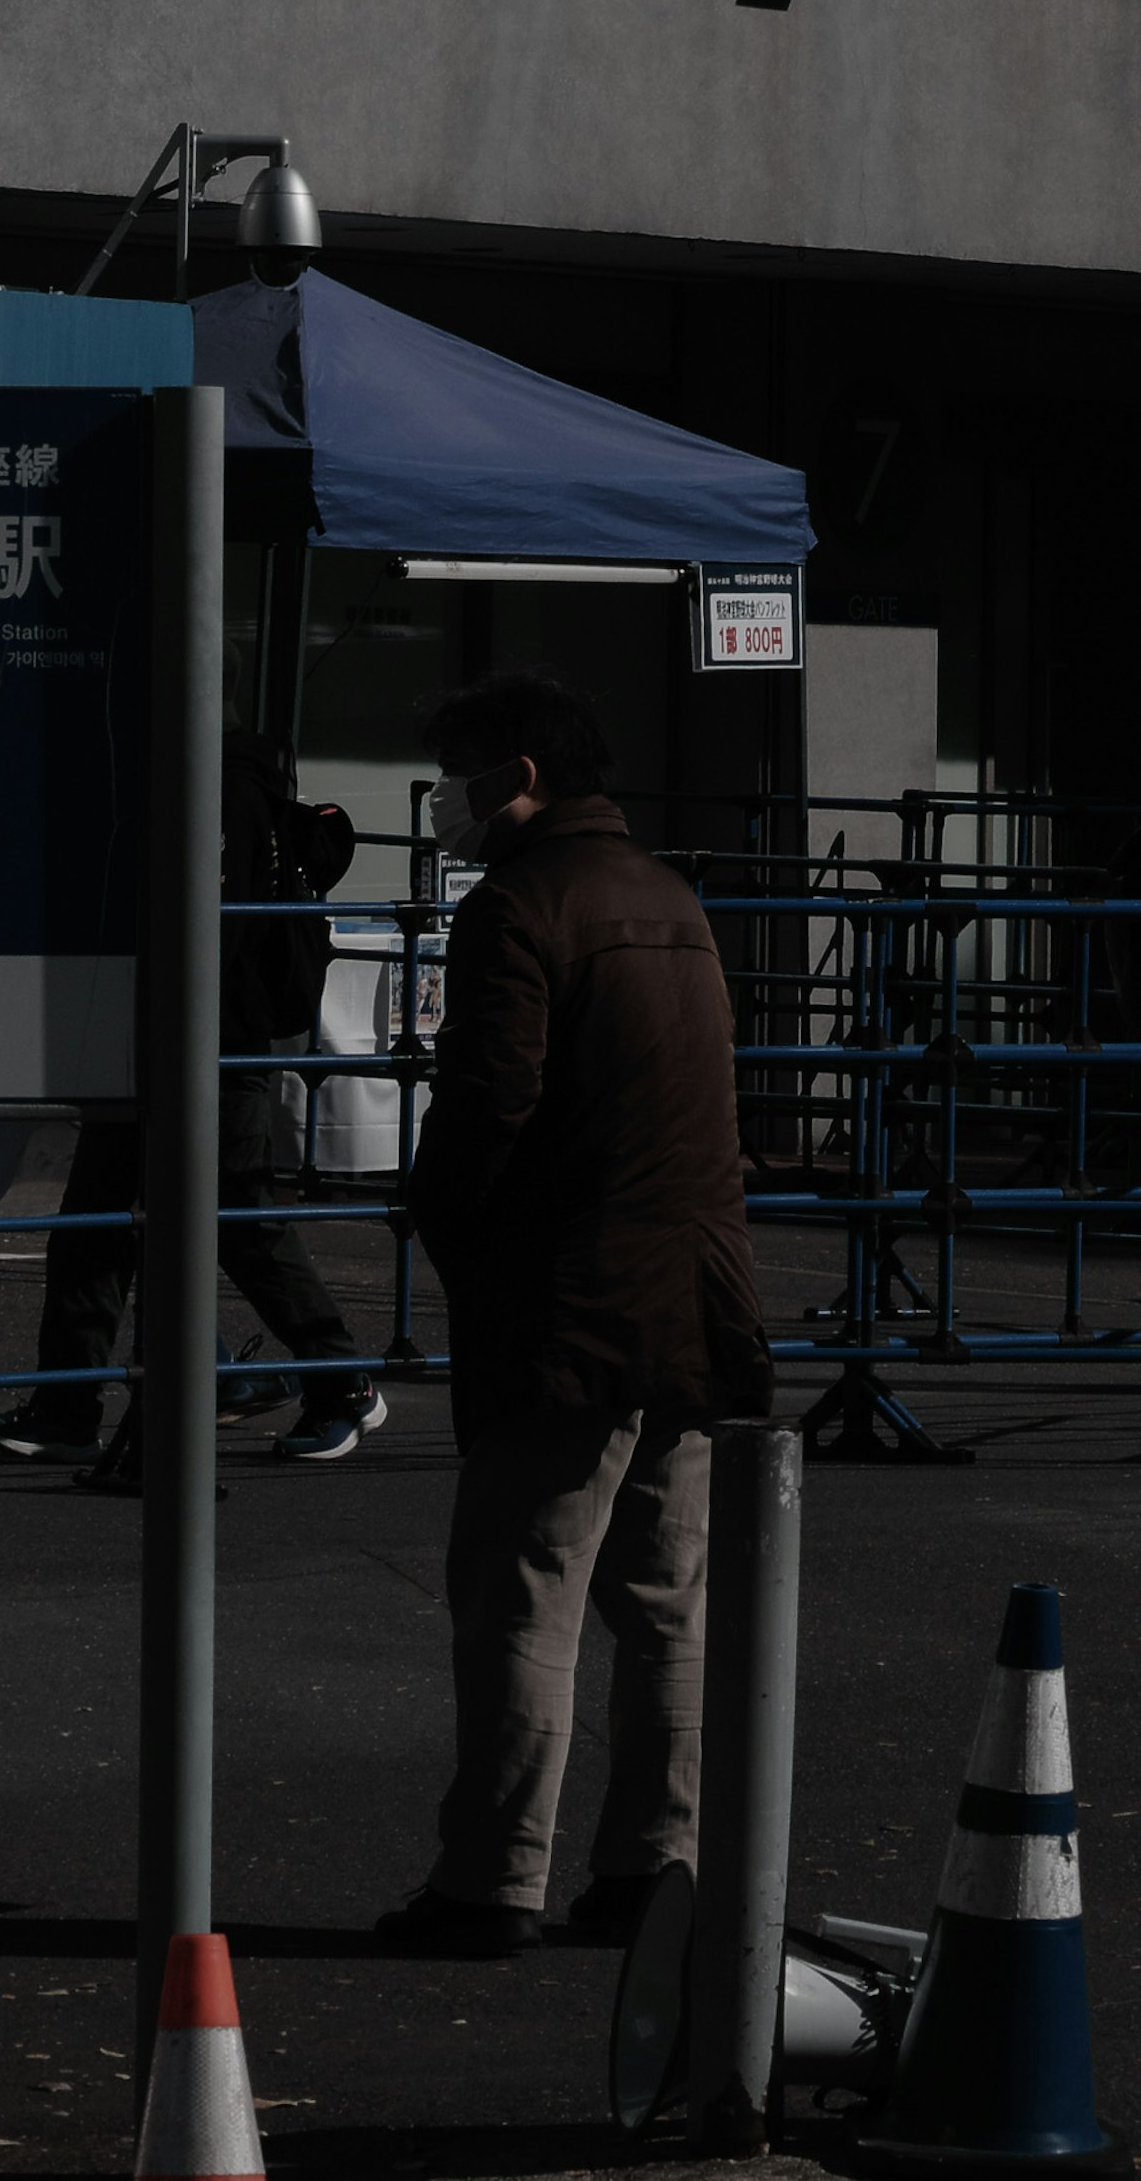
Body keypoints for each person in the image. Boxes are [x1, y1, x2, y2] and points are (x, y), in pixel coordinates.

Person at [377, 675, 770, 1953]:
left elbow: (487, 1111)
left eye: (459, 769)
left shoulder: (519, 905)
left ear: (520, 773)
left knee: (523, 1592)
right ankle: (658, 1867)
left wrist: (444, 1229)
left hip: (570, 1306)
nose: (444, 797)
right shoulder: (672, 897)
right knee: (667, 1603)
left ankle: (492, 1879)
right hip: (696, 1303)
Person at [0, 737, 372, 1467]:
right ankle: (67, 1403)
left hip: (205, 1041)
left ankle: (340, 1379)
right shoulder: (204, 786)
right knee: (101, 1221)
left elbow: (205, 928)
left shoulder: (216, 794)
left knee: (233, 1219)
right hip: (157, 1038)